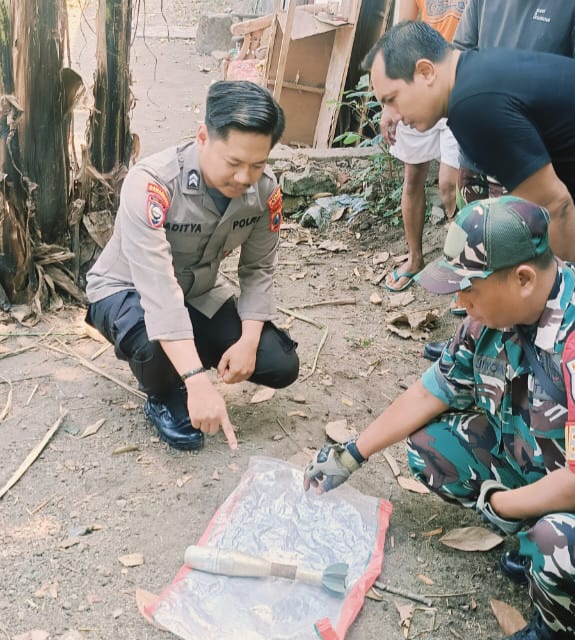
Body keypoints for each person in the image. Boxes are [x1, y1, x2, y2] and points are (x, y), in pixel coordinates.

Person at [304, 196, 575, 640]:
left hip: (567, 486)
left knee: (557, 541)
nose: (460, 300)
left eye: (469, 288)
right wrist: (352, 454)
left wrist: (500, 504)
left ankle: (554, 623)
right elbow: (433, 389)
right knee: (431, 447)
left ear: (523, 279)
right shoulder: (491, 317)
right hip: (540, 463)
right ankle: (534, 542)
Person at [85, 81, 299, 452]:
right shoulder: (152, 184)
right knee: (153, 343)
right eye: (233, 163)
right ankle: (164, 392)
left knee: (279, 362)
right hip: (127, 291)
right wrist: (197, 381)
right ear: (203, 136)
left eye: (258, 164)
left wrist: (248, 342)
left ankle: (183, 355)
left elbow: (258, 269)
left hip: (194, 295)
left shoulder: (265, 192)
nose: (245, 177)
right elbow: (157, 290)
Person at [422, 0, 575, 355]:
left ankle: (547, 348)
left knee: (533, 260)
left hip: (537, 157)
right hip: (480, 150)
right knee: (479, 262)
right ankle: (476, 343)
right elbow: (457, 55)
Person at [364, 21, 575, 265]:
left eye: (392, 99)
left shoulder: (472, 107)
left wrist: (561, 294)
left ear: (426, 72)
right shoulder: (472, 74)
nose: (394, 116)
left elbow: (556, 207)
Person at [381, 0, 465, 293]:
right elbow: (401, 35)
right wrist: (391, 103)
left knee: (450, 185)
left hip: (459, 83)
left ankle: (464, 268)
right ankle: (415, 259)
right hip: (418, 87)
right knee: (413, 179)